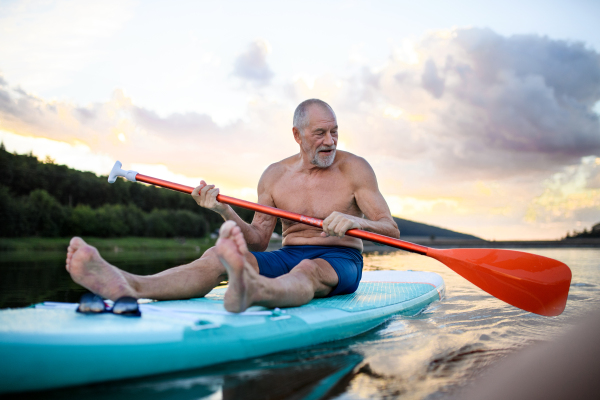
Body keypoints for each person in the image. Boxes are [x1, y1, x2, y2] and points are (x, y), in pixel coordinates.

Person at [66, 99, 400, 313]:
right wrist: (223, 211)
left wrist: (358, 224)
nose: (329, 141)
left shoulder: (354, 168)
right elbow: (257, 239)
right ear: (297, 135)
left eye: (334, 132)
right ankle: (129, 285)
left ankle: (255, 289)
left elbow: (390, 227)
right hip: (288, 254)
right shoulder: (274, 176)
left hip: (340, 259)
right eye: (320, 133)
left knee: (308, 270)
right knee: (215, 257)